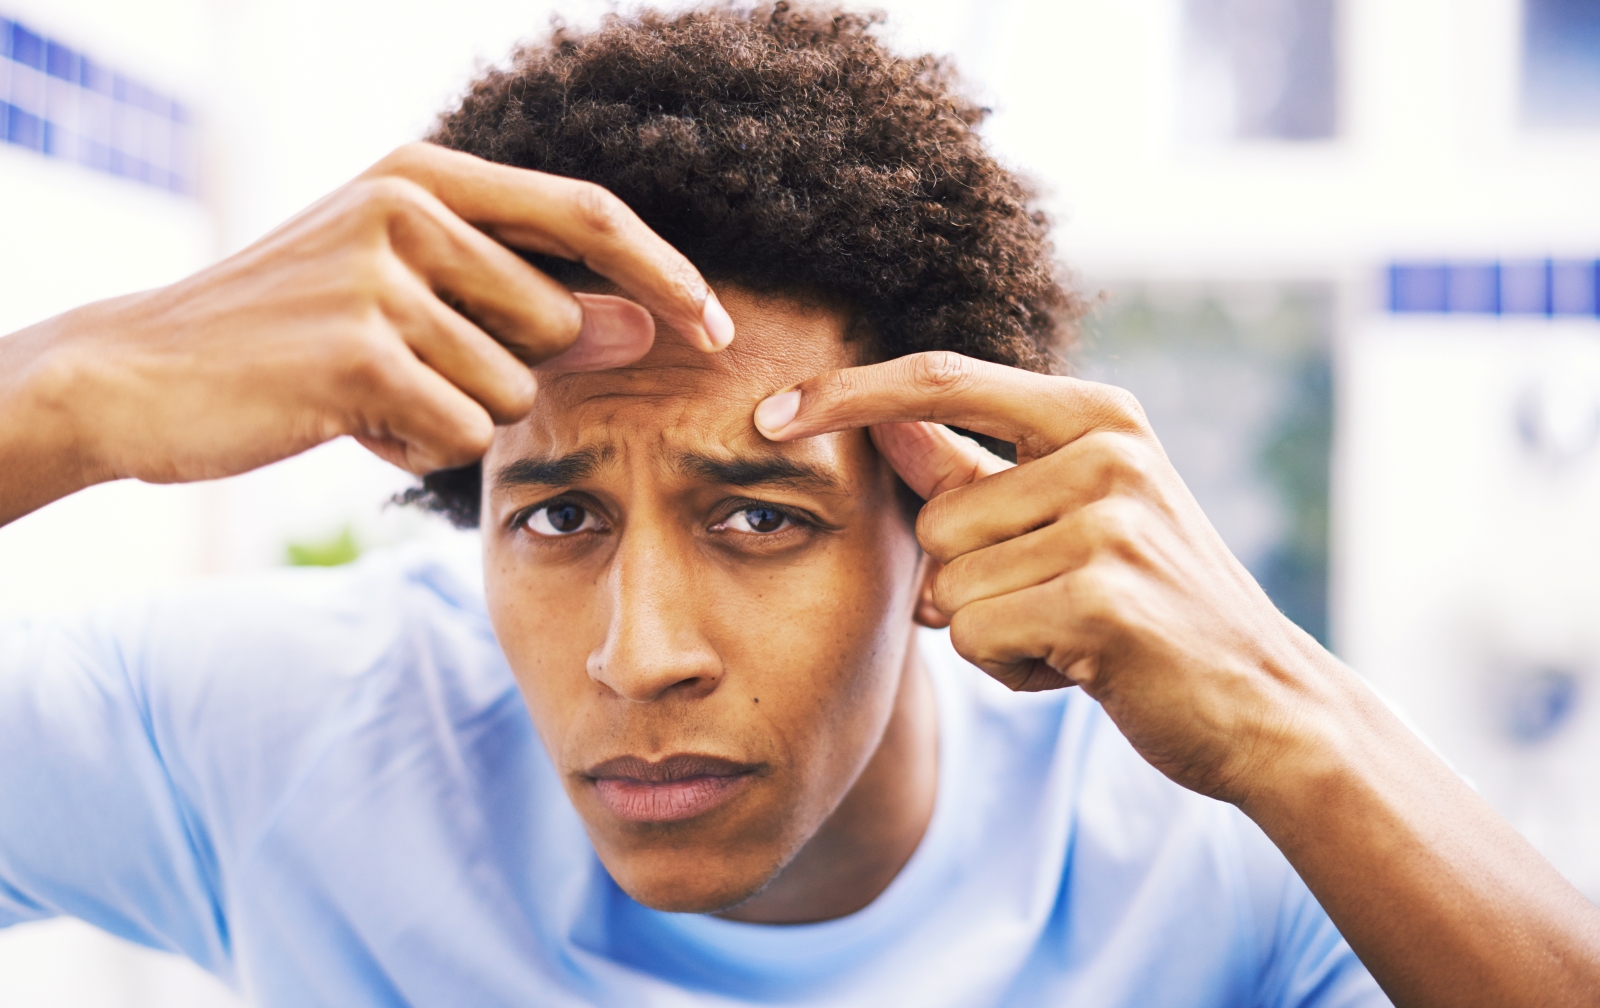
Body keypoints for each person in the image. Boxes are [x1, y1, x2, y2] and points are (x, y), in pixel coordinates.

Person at [0, 5, 1596, 1006]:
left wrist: (1288, 718)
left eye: (758, 514)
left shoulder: (1211, 860)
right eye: (557, 517)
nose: (640, 658)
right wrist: (60, 392)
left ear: (940, 520)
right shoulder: (277, 738)